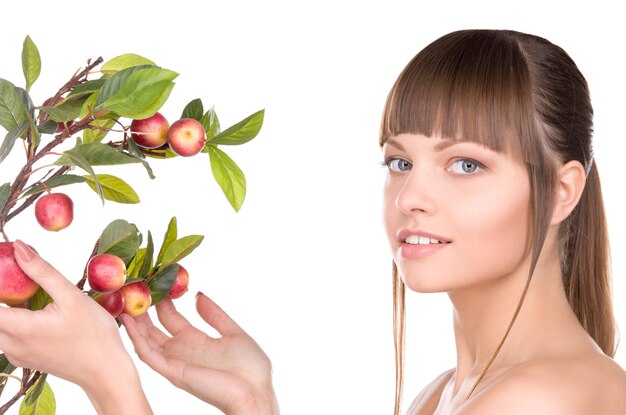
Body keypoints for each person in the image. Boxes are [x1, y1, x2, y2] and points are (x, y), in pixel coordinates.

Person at [1, 29, 625, 415]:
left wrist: (109, 380)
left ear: (562, 192)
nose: (412, 196)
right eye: (400, 160)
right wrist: (254, 403)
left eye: (466, 164)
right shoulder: (447, 392)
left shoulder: (540, 401)